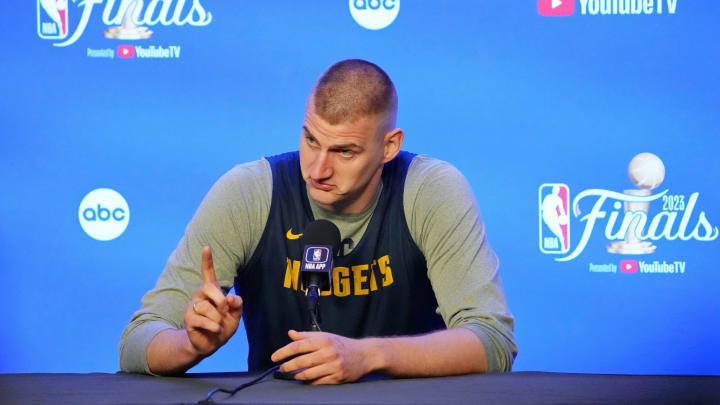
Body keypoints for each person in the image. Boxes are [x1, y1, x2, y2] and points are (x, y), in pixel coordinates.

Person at [119, 59, 517, 384]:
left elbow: (492, 340)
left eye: (344, 151)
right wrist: (191, 345)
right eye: (311, 140)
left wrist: (367, 356)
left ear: (389, 146)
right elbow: (138, 340)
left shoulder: (430, 190)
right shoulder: (249, 193)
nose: (318, 169)